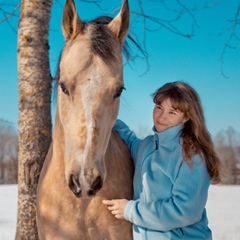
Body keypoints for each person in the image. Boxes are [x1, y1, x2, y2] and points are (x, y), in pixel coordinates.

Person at [103, 81, 221, 240]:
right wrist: (104, 117)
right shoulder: (147, 146)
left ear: (186, 117)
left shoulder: (192, 156)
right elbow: (130, 140)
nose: (161, 117)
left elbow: (184, 212)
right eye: (159, 108)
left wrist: (130, 211)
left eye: (172, 112)